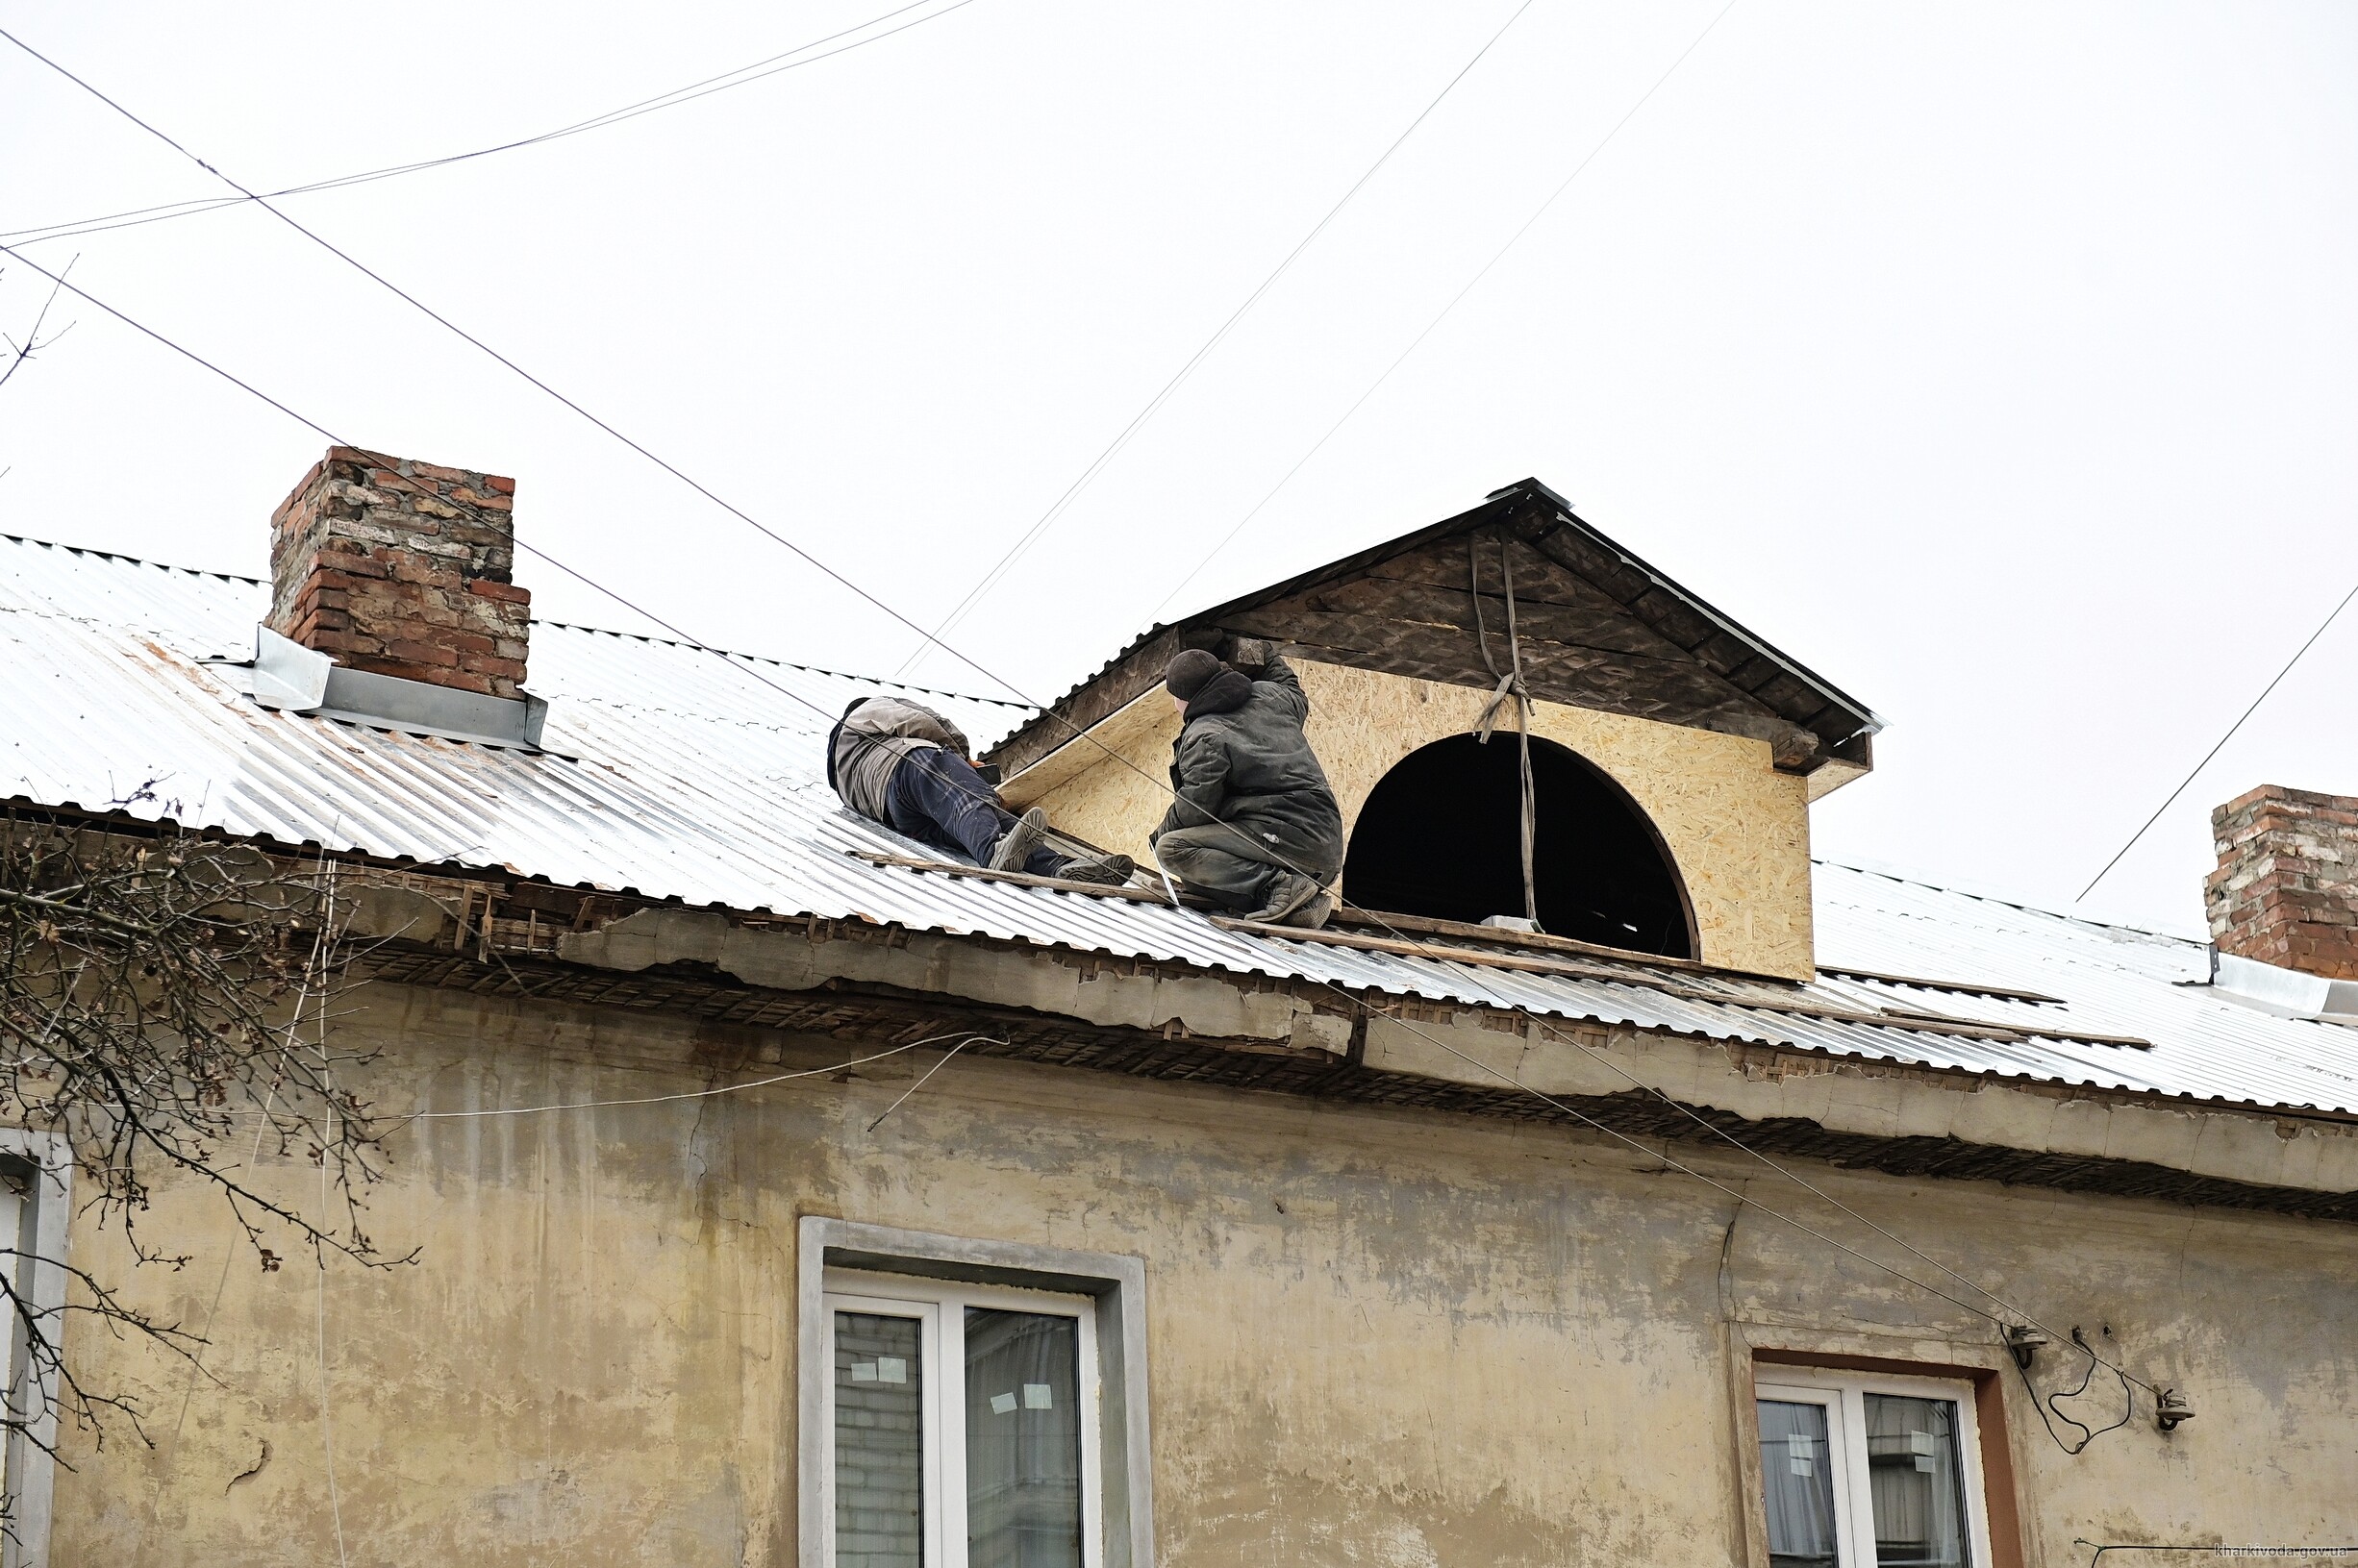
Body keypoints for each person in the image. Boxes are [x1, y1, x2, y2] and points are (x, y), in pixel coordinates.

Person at [827, 695, 1133, 885]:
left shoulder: (843, 776)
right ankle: (993, 854)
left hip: (900, 817)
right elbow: (918, 721)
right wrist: (962, 758)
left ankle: (1060, 868)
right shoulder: (865, 710)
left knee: (987, 828)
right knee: (965, 793)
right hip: (907, 774)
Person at [1149, 639, 1343, 928]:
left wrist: (1156, 838)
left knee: (1172, 850)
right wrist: (1260, 650)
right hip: (1327, 851)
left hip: (1287, 846)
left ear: (1182, 699)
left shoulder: (1205, 735)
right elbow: (1290, 686)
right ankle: (1296, 898)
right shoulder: (1271, 696)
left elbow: (1196, 809)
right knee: (1196, 880)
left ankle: (1279, 886)